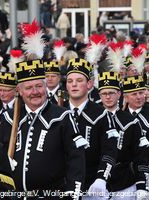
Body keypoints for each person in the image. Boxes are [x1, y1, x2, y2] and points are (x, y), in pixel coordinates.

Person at [0, 57, 85, 199]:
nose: (35, 92)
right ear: (19, 90)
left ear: (45, 86)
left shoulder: (62, 117)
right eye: (29, 88)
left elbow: (76, 159)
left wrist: (73, 194)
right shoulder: (8, 118)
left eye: (38, 86)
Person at [65, 58, 119, 198]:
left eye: (79, 80)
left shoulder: (101, 114)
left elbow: (110, 150)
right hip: (63, 186)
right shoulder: (58, 112)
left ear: (89, 84)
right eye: (70, 81)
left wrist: (101, 178)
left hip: (92, 185)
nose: (74, 85)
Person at [98, 71, 149, 200]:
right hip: (97, 181)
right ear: (99, 95)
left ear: (119, 94)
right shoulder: (93, 118)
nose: (108, 97)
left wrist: (142, 185)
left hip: (124, 181)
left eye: (112, 93)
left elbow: (140, 155)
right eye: (104, 93)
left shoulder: (131, 121)